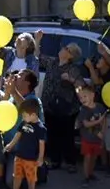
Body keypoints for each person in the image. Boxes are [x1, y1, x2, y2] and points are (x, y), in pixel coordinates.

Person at [34, 30, 83, 173]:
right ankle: (55, 160)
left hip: (66, 108)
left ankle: (70, 162)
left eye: (66, 48)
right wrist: (38, 40)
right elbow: (37, 57)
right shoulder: (52, 62)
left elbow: (80, 86)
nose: (62, 49)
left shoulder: (73, 69)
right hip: (50, 105)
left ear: (70, 55)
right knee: (53, 134)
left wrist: (71, 80)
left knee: (67, 136)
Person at [5, 98, 47, 189]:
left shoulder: (40, 128)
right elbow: (17, 135)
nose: (22, 117)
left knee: (31, 177)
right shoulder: (23, 123)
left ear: (33, 115)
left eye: (24, 115)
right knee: (17, 175)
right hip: (19, 156)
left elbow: (42, 144)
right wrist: (10, 145)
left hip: (31, 159)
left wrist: (41, 158)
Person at [86, 43, 110, 175]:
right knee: (101, 139)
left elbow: (97, 81)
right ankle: (104, 164)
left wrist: (89, 68)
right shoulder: (100, 73)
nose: (97, 62)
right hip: (100, 112)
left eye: (100, 59)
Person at [75, 83, 106, 188]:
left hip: (97, 139)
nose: (82, 99)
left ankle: (91, 173)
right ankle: (86, 177)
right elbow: (86, 124)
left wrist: (103, 132)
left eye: (85, 96)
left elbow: (104, 121)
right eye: (80, 98)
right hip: (87, 139)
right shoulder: (83, 110)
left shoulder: (100, 107)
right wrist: (98, 121)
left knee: (94, 158)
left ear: (92, 95)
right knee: (87, 157)